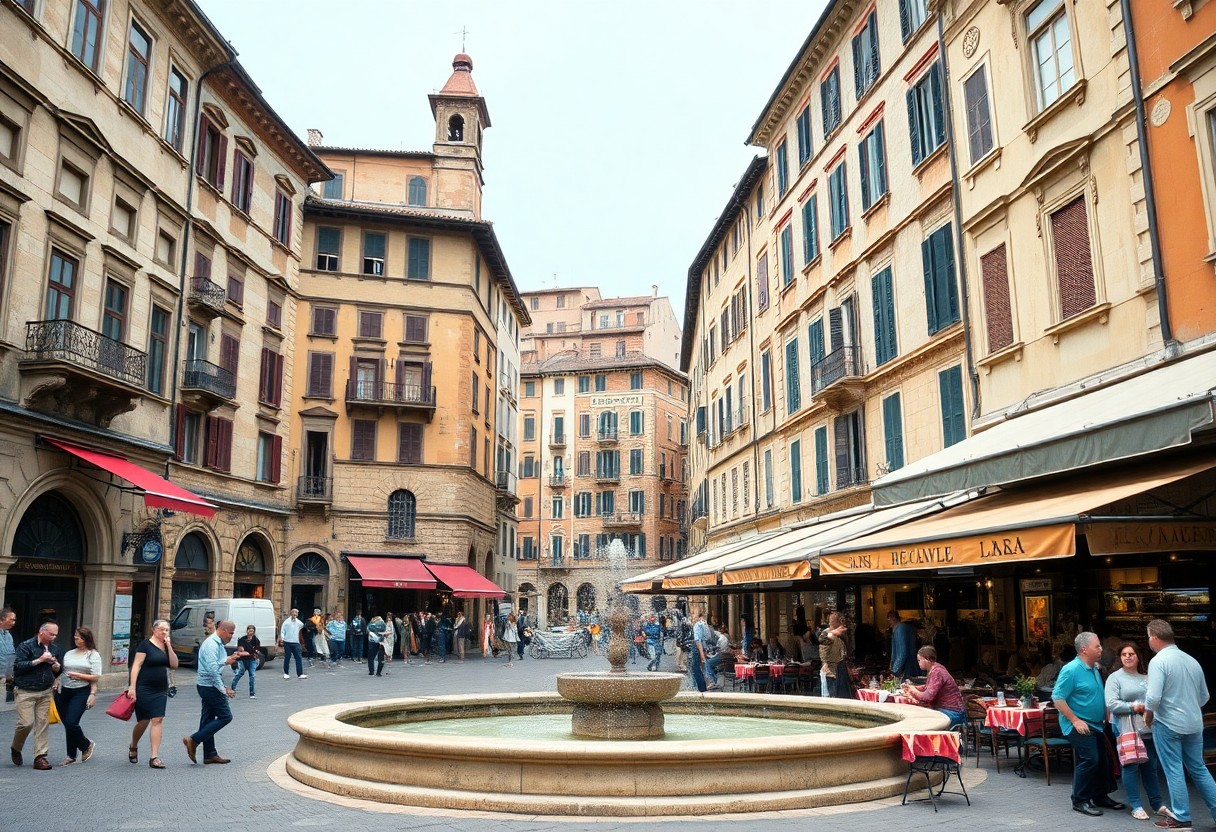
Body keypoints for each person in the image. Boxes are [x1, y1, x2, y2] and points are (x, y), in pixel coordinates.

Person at [1144, 618, 1216, 830]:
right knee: (1199, 768)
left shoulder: (1158, 661)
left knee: (1173, 769)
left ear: (1155, 638)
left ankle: (1182, 817)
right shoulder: (1191, 660)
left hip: (1168, 723)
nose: (1148, 641)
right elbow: (1204, 696)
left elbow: (1153, 698)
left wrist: (1149, 715)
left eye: (1148, 637)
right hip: (1194, 723)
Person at [1053, 631, 1124, 817]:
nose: (1101, 649)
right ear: (1084, 649)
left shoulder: (1093, 667)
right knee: (1090, 758)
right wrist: (1075, 720)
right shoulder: (1071, 669)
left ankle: (1100, 796)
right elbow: (1058, 698)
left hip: (1096, 723)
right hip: (1078, 723)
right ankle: (1080, 799)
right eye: (1097, 646)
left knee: (1103, 760)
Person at [1105, 641, 1168, 821]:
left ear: (1138, 656)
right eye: (1124, 654)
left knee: (1151, 767)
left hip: (1148, 728)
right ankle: (1136, 805)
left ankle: (1157, 804)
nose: (1128, 657)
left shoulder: (1147, 677)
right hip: (1126, 728)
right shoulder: (1114, 678)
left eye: (1131, 654)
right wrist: (1136, 706)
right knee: (1130, 766)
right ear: (1120, 657)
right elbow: (1112, 704)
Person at [182, 619, 245, 765]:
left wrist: (230, 660)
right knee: (226, 716)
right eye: (230, 633)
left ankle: (210, 754)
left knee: (207, 719)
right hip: (209, 686)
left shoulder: (218, 644)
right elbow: (212, 670)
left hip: (207, 685)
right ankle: (194, 740)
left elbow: (220, 664)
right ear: (222, 630)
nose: (231, 636)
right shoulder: (211, 644)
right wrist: (223, 689)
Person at [10, 621, 63, 769]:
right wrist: (40, 660)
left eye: (55, 635)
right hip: (25, 691)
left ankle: (40, 757)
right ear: (41, 632)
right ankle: (16, 747)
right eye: (51, 634)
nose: (53, 637)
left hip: (45, 692)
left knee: (42, 724)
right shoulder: (26, 646)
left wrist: (57, 667)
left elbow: (57, 671)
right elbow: (18, 667)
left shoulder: (55, 649)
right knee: (26, 723)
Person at [127, 619, 177, 769]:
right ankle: (133, 745)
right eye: (161, 629)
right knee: (143, 721)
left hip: (160, 689)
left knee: (158, 719)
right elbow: (136, 666)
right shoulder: (145, 645)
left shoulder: (166, 646)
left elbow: (174, 665)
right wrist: (132, 687)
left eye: (167, 630)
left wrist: (169, 646)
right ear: (154, 630)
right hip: (144, 688)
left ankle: (154, 756)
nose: (164, 632)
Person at [52, 626, 101, 766]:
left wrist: (92, 694)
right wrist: (56, 673)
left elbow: (96, 676)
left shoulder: (93, 654)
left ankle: (86, 745)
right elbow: (62, 671)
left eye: (78, 636)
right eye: (75, 635)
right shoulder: (69, 653)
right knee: (67, 724)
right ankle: (71, 755)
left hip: (81, 691)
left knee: (72, 722)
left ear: (85, 639)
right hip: (63, 691)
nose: (75, 638)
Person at [902, 646, 965, 725]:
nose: (918, 663)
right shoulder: (935, 669)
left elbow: (927, 697)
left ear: (927, 659)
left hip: (952, 712)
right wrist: (914, 688)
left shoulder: (937, 672)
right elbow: (928, 688)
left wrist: (913, 690)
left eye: (919, 660)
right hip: (947, 710)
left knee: (919, 719)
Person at [819, 612, 851, 698]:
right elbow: (824, 639)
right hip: (831, 671)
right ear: (836, 622)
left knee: (844, 697)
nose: (842, 624)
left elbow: (846, 651)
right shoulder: (826, 634)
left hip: (841, 668)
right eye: (841, 621)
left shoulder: (840, 635)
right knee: (832, 698)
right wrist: (833, 633)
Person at [230, 625, 261, 697]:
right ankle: (233, 688)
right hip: (242, 660)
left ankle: (252, 693)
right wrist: (247, 652)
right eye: (249, 631)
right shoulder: (242, 640)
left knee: (252, 675)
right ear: (246, 631)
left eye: (252, 631)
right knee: (240, 673)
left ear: (254, 632)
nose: (250, 632)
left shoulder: (256, 640)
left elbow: (256, 651)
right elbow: (241, 650)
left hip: (252, 659)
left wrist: (250, 652)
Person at [888, 611, 919, 680]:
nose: (889, 622)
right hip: (908, 667)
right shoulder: (902, 628)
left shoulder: (900, 629)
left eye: (889, 619)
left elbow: (903, 652)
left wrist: (895, 670)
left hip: (905, 670)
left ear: (893, 618)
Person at [278, 608, 307, 680]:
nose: (295, 614)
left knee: (298, 658)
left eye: (296, 613)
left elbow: (303, 626)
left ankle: (300, 673)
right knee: (287, 658)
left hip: (296, 642)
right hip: (287, 642)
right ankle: (286, 673)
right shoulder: (286, 622)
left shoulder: (299, 622)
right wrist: (282, 638)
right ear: (291, 613)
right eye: (293, 612)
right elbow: (282, 631)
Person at [689, 611, 710, 692]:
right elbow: (707, 638)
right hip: (703, 647)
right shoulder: (704, 624)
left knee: (695, 669)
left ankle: (700, 688)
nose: (691, 615)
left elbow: (698, 641)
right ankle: (700, 687)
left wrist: (702, 654)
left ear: (698, 616)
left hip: (697, 648)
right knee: (699, 668)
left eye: (693, 613)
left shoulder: (697, 625)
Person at [0, 607, 15, 704]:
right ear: (2, 619)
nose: (14, 622)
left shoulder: (8, 636)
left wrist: (9, 674)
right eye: (12, 619)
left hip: (3, 679)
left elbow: (10, 655)